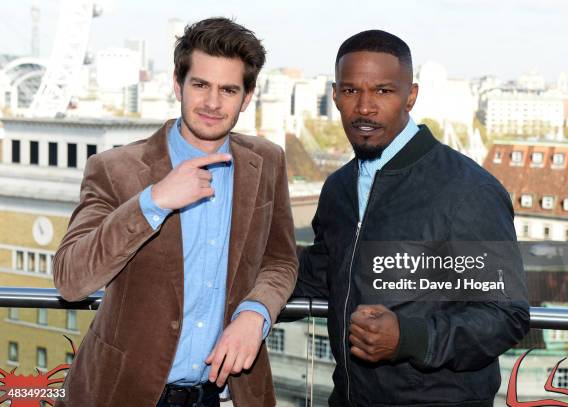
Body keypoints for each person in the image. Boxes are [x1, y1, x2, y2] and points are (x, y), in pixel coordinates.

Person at [53, 17, 297, 407]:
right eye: (200, 85)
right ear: (176, 84)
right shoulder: (116, 169)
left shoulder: (267, 161)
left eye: (228, 90)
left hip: (226, 394)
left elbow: (281, 260)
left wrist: (256, 313)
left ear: (247, 97)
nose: (213, 103)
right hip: (125, 393)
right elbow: (70, 279)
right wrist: (153, 201)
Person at [294, 30, 530, 406]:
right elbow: (320, 272)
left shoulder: (467, 189)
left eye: (383, 91)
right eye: (352, 91)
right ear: (335, 95)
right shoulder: (339, 187)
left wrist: (409, 338)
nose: (365, 107)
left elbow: (506, 315)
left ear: (411, 96)